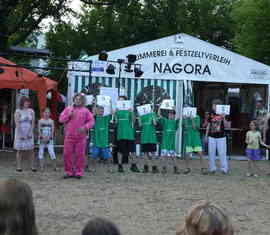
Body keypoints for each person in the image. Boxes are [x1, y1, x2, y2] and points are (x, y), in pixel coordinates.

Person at [59, 93, 95, 179]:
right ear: (74, 100)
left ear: (82, 101)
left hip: (81, 137)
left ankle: (79, 172)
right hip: (69, 136)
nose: (77, 101)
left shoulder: (85, 110)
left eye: (79, 99)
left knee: (80, 155)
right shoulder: (68, 109)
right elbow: (60, 119)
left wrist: (85, 127)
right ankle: (69, 172)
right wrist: (69, 115)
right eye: (76, 99)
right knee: (67, 154)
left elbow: (92, 121)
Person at [206, 99, 230, 175]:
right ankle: (212, 168)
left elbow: (227, 126)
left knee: (222, 153)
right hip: (212, 136)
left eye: (214, 105)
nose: (213, 106)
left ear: (218, 106)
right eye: (213, 105)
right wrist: (206, 135)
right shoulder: (211, 113)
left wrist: (223, 118)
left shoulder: (224, 113)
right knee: (211, 153)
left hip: (221, 137)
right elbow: (209, 125)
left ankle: (224, 168)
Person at [14, 96, 36, 172]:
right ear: (22, 102)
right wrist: (21, 134)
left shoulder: (31, 111)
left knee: (31, 150)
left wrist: (30, 132)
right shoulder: (18, 111)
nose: (27, 103)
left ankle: (32, 166)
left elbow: (33, 123)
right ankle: (19, 166)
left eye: (28, 102)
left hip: (29, 131)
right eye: (26, 102)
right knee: (20, 150)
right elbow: (17, 123)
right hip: (20, 131)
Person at [114, 96, 135, 173]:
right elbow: (115, 122)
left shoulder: (129, 110)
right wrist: (115, 113)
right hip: (120, 133)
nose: (121, 102)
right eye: (119, 101)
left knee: (132, 151)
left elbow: (133, 121)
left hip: (129, 133)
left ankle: (133, 165)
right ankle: (120, 166)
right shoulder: (117, 111)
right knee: (120, 151)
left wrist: (131, 112)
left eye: (122, 100)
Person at [90, 104, 112, 173]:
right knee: (94, 155)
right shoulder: (94, 118)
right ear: (96, 110)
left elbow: (111, 113)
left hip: (104, 141)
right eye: (99, 109)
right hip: (96, 141)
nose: (101, 111)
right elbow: (92, 114)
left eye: (102, 110)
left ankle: (109, 168)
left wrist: (110, 103)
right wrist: (94, 104)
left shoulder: (106, 118)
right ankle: (94, 168)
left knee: (107, 156)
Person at [158, 109, 180, 174]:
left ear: (174, 115)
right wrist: (159, 108)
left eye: (172, 114)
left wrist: (177, 120)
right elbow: (159, 115)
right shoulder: (165, 120)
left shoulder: (175, 122)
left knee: (173, 157)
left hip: (171, 143)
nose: (170, 115)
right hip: (165, 142)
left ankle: (176, 169)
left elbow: (176, 127)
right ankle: (164, 168)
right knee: (164, 157)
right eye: (169, 114)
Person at [139, 107, 158, 173]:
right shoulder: (142, 115)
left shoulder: (153, 114)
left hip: (152, 137)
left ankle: (154, 168)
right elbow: (140, 125)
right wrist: (139, 118)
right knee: (145, 153)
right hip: (144, 137)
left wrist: (153, 116)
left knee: (153, 153)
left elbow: (155, 124)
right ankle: (146, 167)